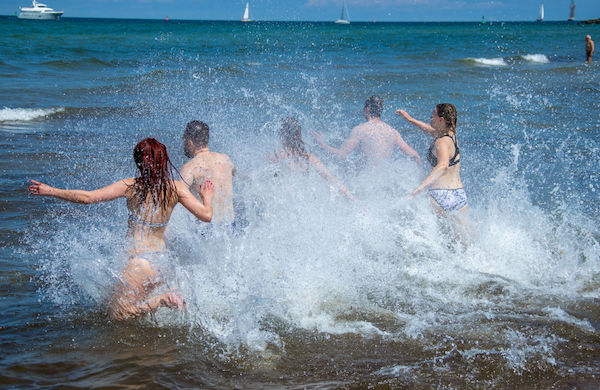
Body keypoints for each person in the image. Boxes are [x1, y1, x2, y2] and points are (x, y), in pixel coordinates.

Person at [28, 138, 215, 320]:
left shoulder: (131, 186)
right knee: (120, 304)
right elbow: (206, 215)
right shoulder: (176, 188)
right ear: (163, 161)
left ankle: (162, 300)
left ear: (139, 161)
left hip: (140, 263)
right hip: (162, 261)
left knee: (119, 314)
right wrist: (207, 197)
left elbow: (88, 198)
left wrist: (51, 191)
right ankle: (160, 308)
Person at [396, 104, 468, 228]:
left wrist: (419, 189)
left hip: (440, 194)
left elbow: (443, 165)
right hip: (459, 195)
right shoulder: (451, 137)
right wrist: (410, 119)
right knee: (463, 240)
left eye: (433, 115)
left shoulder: (441, 141)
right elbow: (429, 130)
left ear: (441, 120)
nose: (430, 118)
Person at [311, 96, 421, 167]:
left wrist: (322, 144)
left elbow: (341, 155)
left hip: (367, 184)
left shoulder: (360, 130)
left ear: (367, 109)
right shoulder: (392, 131)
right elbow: (415, 156)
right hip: (386, 183)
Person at [273, 117, 355, 201]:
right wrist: (355, 200)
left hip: (284, 204)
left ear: (281, 134)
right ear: (299, 135)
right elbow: (332, 180)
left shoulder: (275, 156)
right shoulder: (308, 158)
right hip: (304, 203)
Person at [180, 120, 236, 225]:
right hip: (230, 225)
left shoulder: (190, 168)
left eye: (184, 140)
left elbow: (177, 199)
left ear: (190, 142)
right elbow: (234, 174)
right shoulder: (226, 160)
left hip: (206, 228)